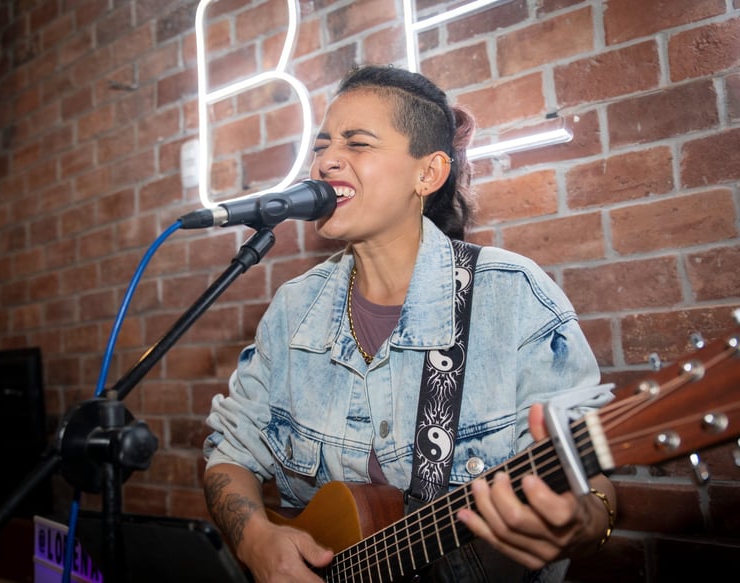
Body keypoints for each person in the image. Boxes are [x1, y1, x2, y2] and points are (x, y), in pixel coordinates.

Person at [202, 64, 617, 582]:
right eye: (323, 145)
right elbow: (229, 456)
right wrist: (255, 539)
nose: (327, 160)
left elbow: (594, 475)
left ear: (428, 174)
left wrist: (584, 520)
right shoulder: (293, 311)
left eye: (357, 144)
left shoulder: (510, 294)